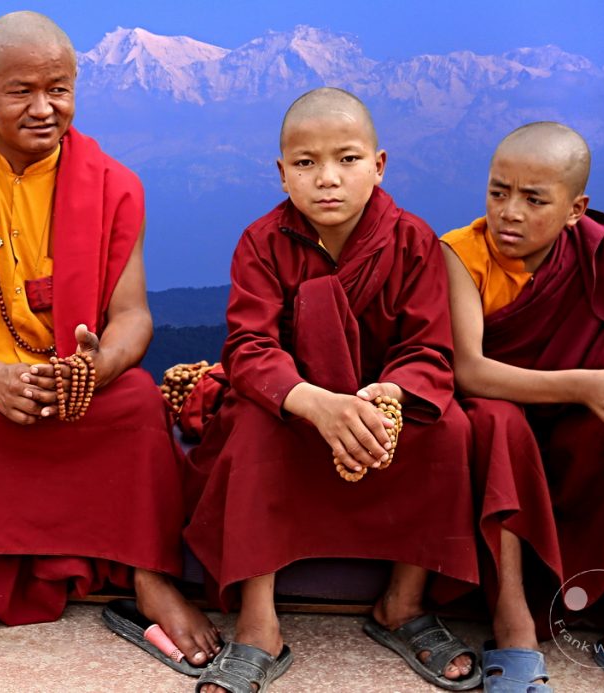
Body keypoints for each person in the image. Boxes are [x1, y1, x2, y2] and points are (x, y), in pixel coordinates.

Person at [0, 11, 219, 690]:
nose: (42, 107)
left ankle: (150, 575)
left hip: (76, 391)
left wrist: (98, 365)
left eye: (58, 88)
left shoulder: (115, 186)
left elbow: (132, 315)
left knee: (140, 398)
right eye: (20, 90)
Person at [183, 88, 480, 693]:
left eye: (347, 159)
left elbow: (428, 348)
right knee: (251, 426)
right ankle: (258, 622)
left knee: (450, 429)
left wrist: (386, 399)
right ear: (282, 172)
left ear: (379, 164)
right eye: (305, 163)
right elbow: (248, 348)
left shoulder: (412, 241)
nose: (327, 179)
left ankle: (403, 601)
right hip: (296, 408)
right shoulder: (262, 241)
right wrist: (314, 402)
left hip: (378, 408)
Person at [442, 121, 604, 692]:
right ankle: (514, 625)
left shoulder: (597, 252)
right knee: (500, 422)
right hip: (495, 419)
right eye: (498, 192)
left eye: (533, 199)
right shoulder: (461, 253)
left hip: (574, 423)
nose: (509, 213)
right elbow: (468, 371)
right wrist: (588, 386)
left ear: (577, 209)